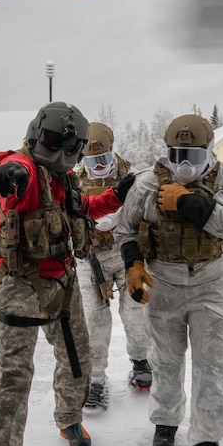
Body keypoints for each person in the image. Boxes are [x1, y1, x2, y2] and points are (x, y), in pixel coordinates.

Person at [0, 101, 135, 446]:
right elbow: (9, 174)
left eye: (69, 147)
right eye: (51, 141)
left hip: (61, 281)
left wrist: (116, 195)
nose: (58, 151)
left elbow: (84, 209)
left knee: (78, 356)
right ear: (37, 136)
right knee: (15, 371)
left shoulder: (63, 178)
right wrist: (9, 177)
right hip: (19, 282)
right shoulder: (25, 170)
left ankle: (69, 419)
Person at [116, 114, 223, 446]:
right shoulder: (147, 183)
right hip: (165, 284)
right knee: (165, 360)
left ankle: (207, 436)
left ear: (208, 150)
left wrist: (187, 201)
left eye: (192, 155)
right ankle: (165, 421)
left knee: (215, 364)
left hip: (210, 285)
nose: (184, 164)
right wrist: (133, 264)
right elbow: (125, 229)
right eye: (177, 155)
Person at [75, 122, 154, 410]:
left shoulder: (132, 177)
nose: (98, 166)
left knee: (136, 312)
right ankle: (95, 379)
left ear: (112, 152)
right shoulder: (74, 181)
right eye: (91, 161)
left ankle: (141, 360)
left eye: (103, 159)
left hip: (126, 255)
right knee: (93, 321)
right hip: (90, 258)